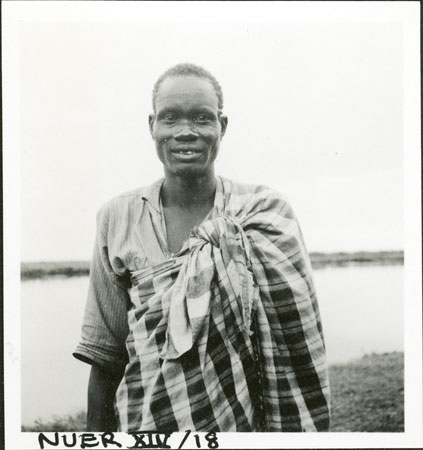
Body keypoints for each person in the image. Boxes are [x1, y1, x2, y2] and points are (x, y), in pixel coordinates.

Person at [74, 63, 330, 432]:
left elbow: (296, 349)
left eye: (201, 118)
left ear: (221, 127)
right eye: (171, 118)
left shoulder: (262, 214)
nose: (186, 132)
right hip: (147, 428)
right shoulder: (117, 217)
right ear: (152, 126)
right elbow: (106, 356)